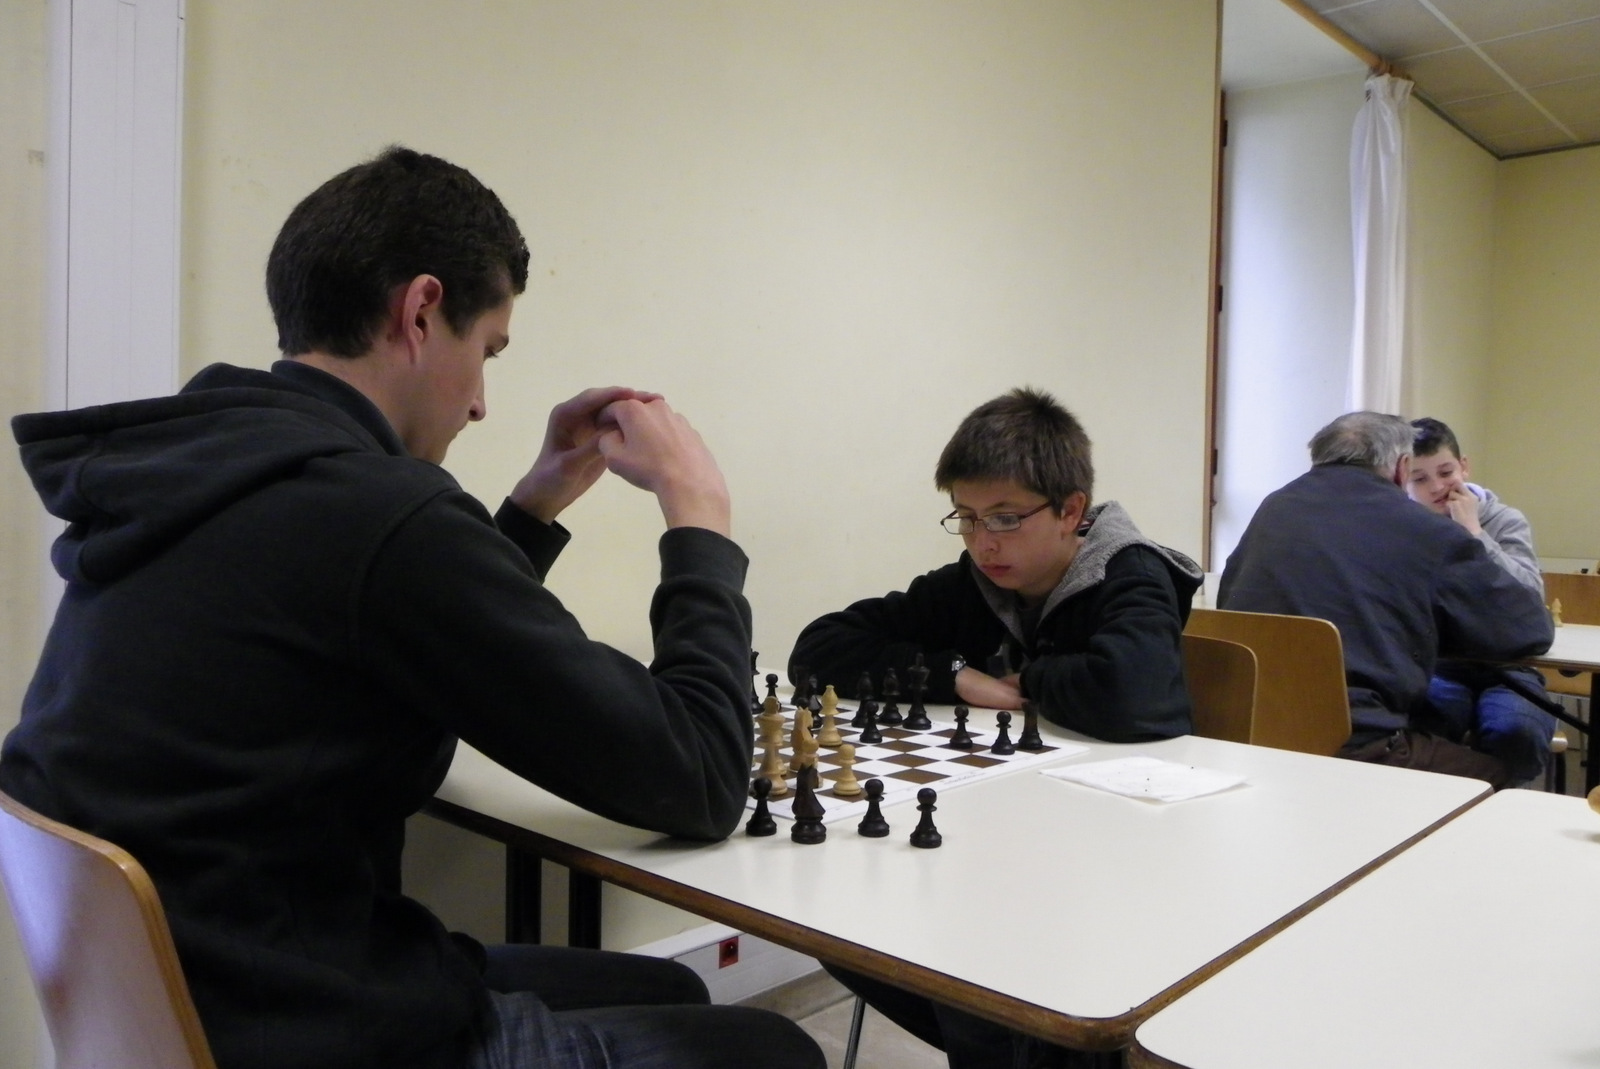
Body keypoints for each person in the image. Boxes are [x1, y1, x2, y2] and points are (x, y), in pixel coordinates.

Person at [0, 147, 823, 1069]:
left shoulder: (213, 463)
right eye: (488, 351)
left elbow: (402, 627)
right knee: (770, 1049)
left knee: (672, 986)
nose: (480, 404)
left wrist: (535, 504)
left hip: (212, 992)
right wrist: (699, 521)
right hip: (314, 1027)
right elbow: (700, 776)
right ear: (422, 310)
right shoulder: (377, 513)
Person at [790, 387, 1199, 1069]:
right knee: (847, 934)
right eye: (967, 517)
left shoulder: (1129, 572)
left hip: (1120, 859)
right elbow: (819, 647)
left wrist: (1026, 676)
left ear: (1071, 510)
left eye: (1006, 518)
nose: (983, 541)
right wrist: (955, 675)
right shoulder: (971, 583)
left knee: (986, 979)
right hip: (1000, 845)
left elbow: (1134, 697)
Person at [1218, 411, 1553, 787]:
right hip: (1357, 743)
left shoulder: (1273, 509)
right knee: (1498, 781)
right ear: (1402, 469)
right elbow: (1528, 629)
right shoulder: (1421, 528)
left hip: (1251, 731)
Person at [1407, 416, 1556, 782]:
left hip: (1511, 665)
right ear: (1403, 480)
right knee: (1423, 725)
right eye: (1420, 479)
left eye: (1446, 472)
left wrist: (1474, 533)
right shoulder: (1406, 527)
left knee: (1517, 733)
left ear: (1464, 466)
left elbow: (1529, 595)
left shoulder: (1505, 520)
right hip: (1440, 664)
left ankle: (1500, 805)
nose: (1437, 487)